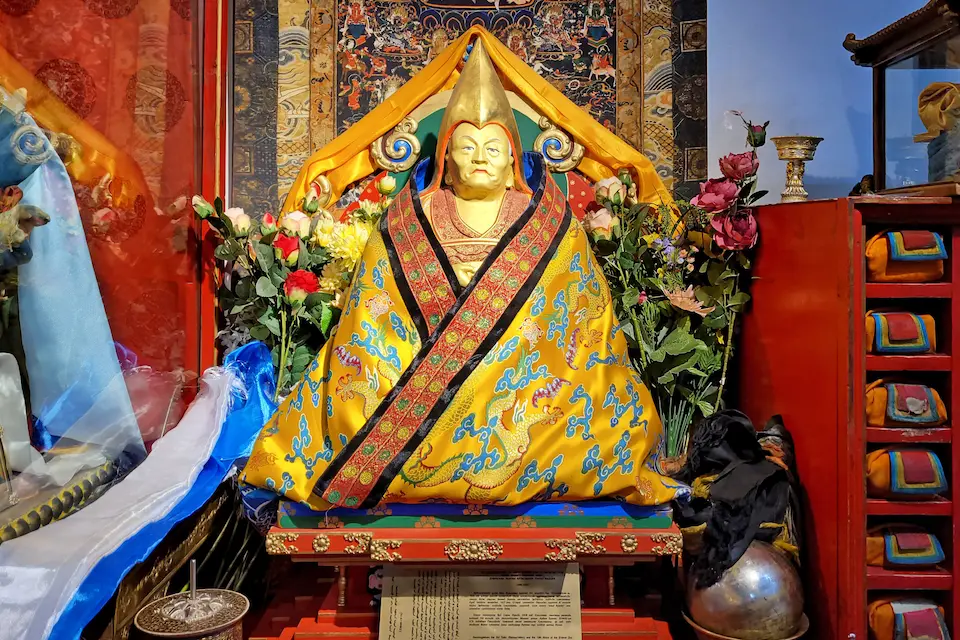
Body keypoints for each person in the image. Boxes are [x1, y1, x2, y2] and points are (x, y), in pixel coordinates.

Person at [241, 40, 683, 509]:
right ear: (446, 158)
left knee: (597, 400)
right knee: (356, 381)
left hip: (527, 388)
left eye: (494, 147)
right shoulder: (410, 218)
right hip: (414, 392)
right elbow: (369, 316)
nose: (479, 157)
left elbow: (583, 321)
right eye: (466, 146)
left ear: (514, 159)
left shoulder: (551, 225)